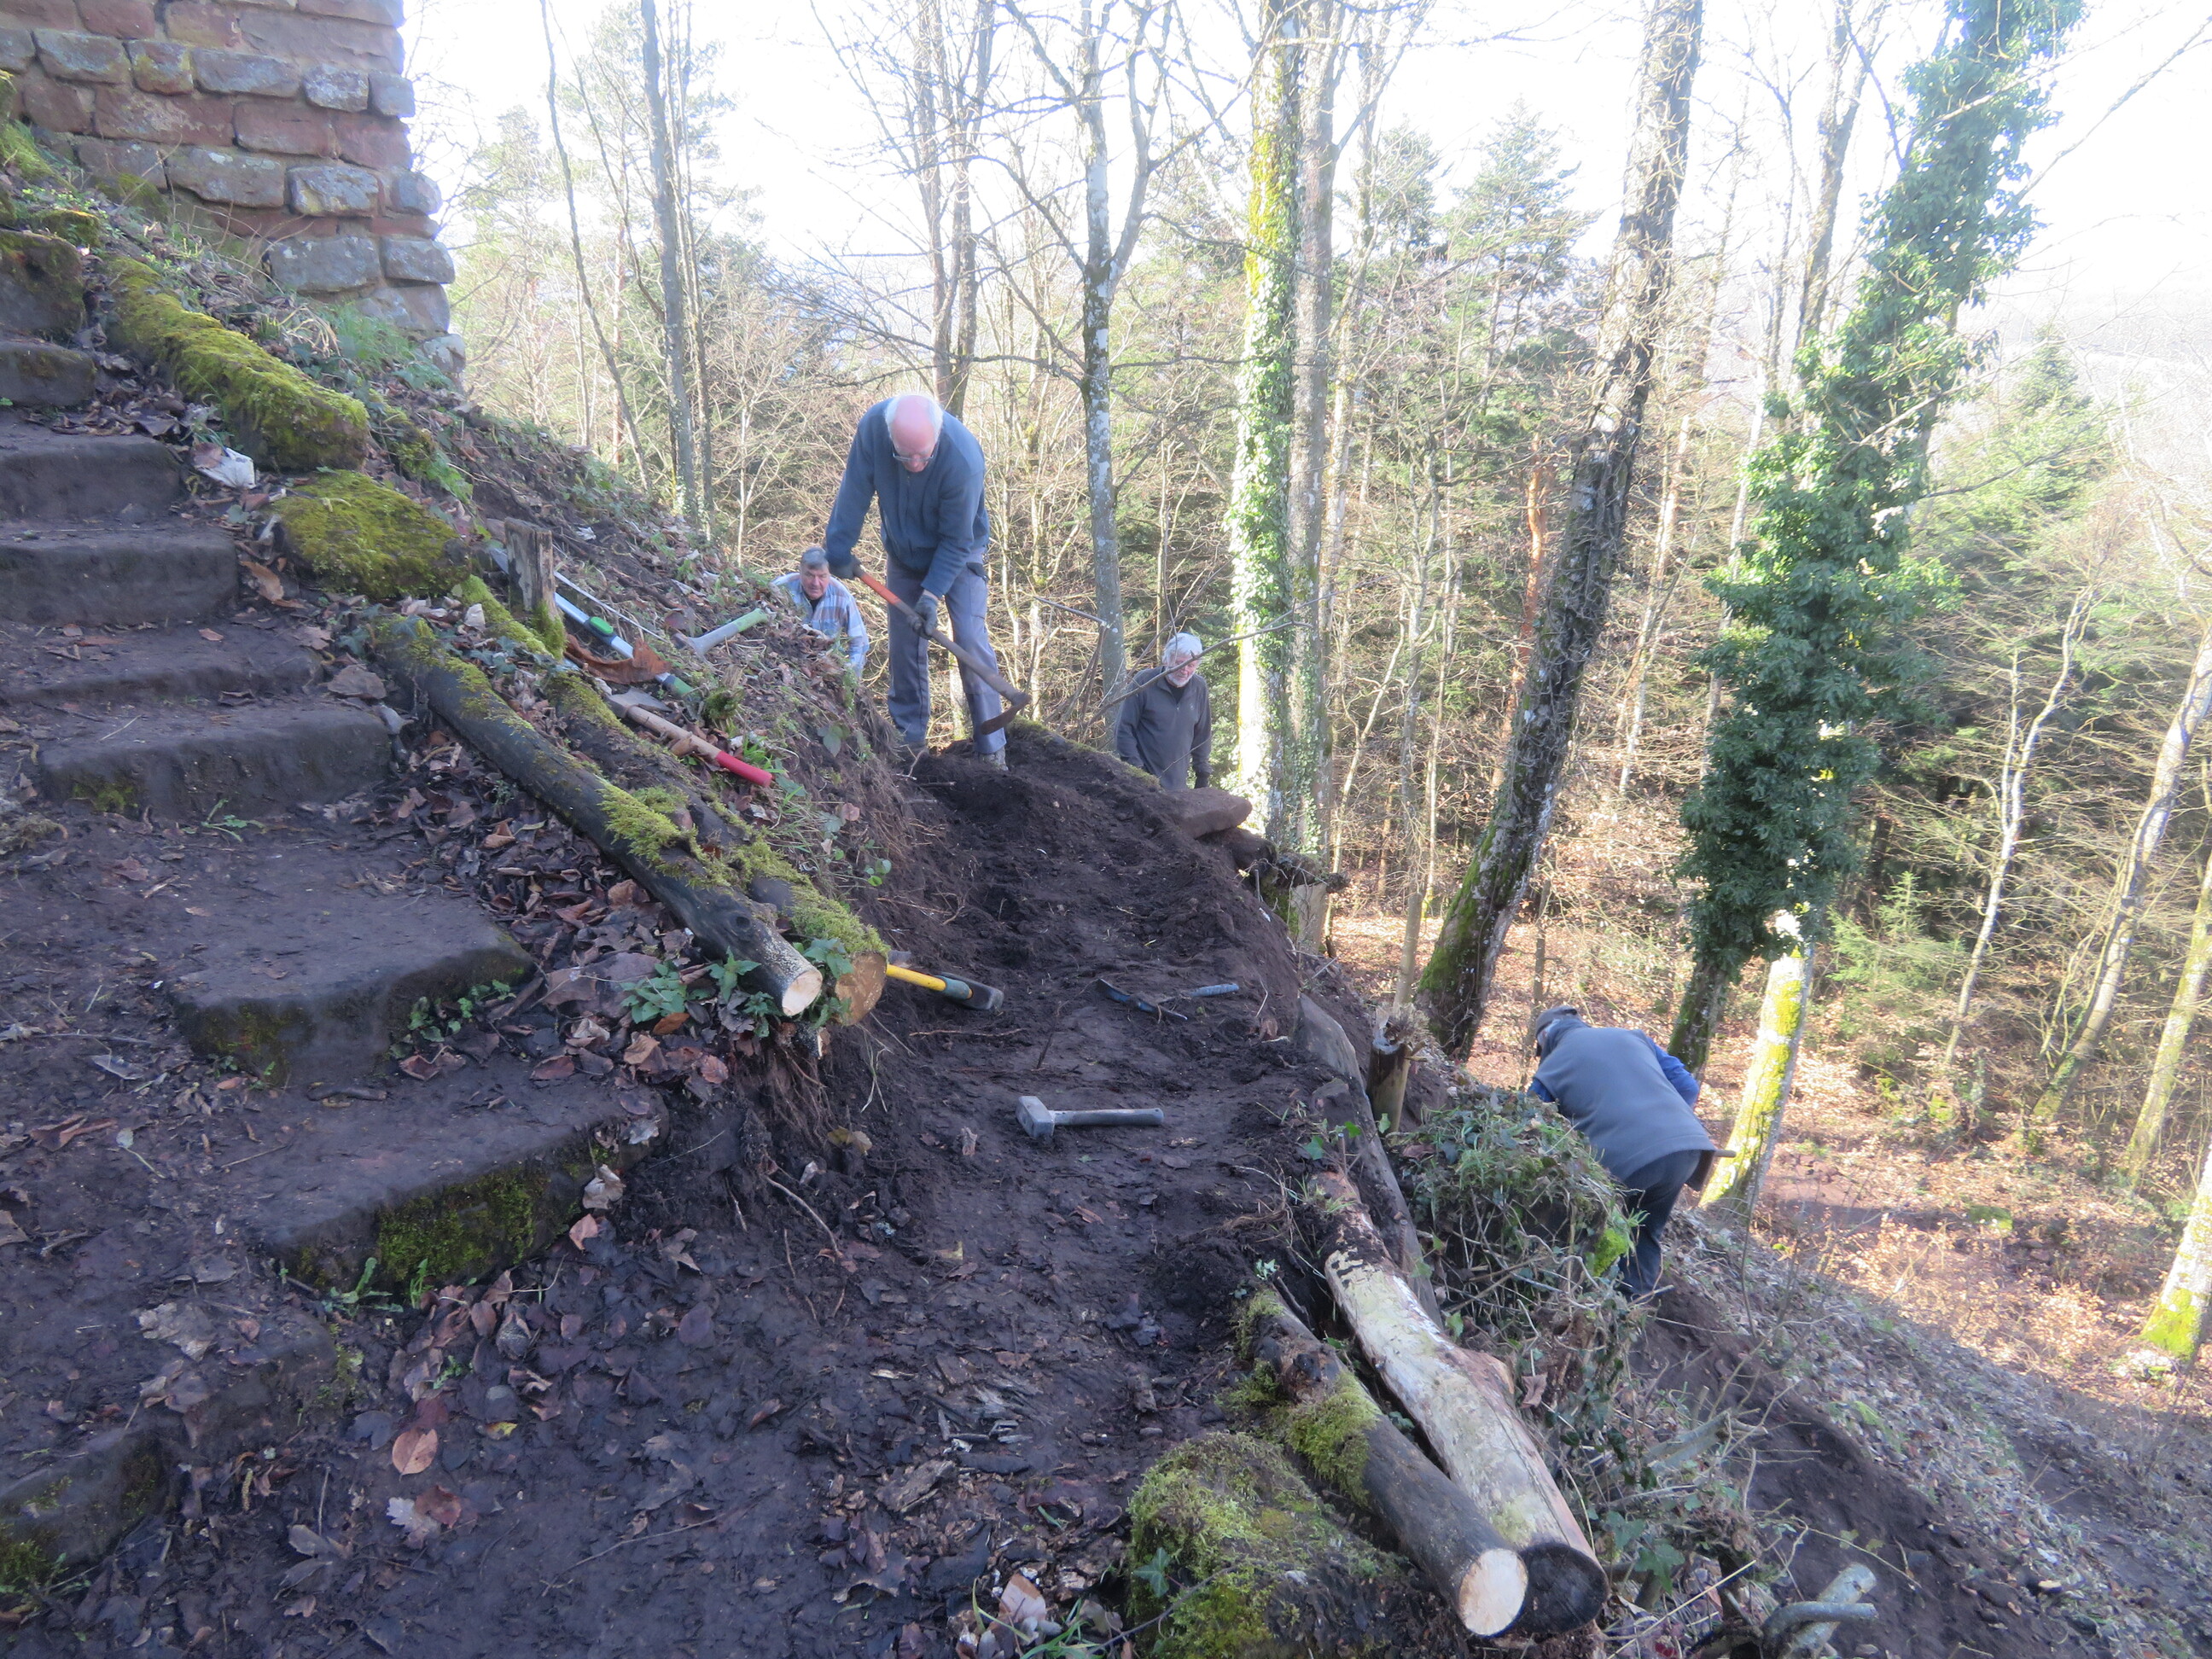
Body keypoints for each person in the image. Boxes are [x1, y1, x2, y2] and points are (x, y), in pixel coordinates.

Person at [821, 391, 1006, 764]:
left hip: (959, 552)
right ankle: (909, 741)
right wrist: (838, 548)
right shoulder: (874, 429)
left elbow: (957, 541)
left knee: (969, 638)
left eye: (924, 455)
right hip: (904, 551)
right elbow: (855, 489)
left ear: (938, 434)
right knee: (904, 642)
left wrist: (931, 595)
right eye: (905, 456)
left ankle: (992, 748)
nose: (916, 464)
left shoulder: (963, 459)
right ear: (890, 436)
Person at [1527, 1005, 1718, 1301]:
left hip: (1628, 1161)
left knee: (1581, 1229)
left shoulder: (1552, 1066)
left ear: (1544, 1038)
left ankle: (1573, 1301)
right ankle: (1632, 1307)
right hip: (1688, 1150)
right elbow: (1687, 1086)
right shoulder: (1632, 1037)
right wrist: (1663, 1127)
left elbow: (1531, 1121)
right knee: (1646, 1233)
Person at [1115, 632, 1214, 790]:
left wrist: (1202, 772)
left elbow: (1202, 733)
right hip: (1142, 782)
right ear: (1166, 659)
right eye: (1179, 663)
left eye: (1191, 665)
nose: (1184, 670)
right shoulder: (1144, 682)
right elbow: (1124, 729)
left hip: (1178, 786)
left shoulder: (1199, 687)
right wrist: (1137, 772)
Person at [771, 546, 869, 675]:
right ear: (800, 571)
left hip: (827, 666)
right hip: (787, 659)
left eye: (822, 576)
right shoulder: (781, 588)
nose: (815, 583)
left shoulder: (842, 596)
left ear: (830, 574)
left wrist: (850, 674)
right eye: (809, 575)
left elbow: (859, 642)